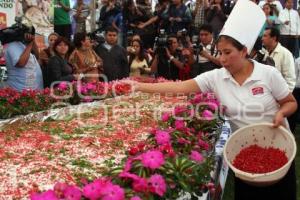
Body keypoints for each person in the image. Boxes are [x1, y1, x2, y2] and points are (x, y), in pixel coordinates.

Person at [131, 1, 297, 200]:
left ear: (244, 51)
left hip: (277, 148)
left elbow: (290, 102)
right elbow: (179, 87)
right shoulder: (217, 77)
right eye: (220, 53)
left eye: (228, 53)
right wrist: (139, 87)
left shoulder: (268, 74)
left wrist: (280, 113)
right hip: (244, 153)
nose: (223, 59)